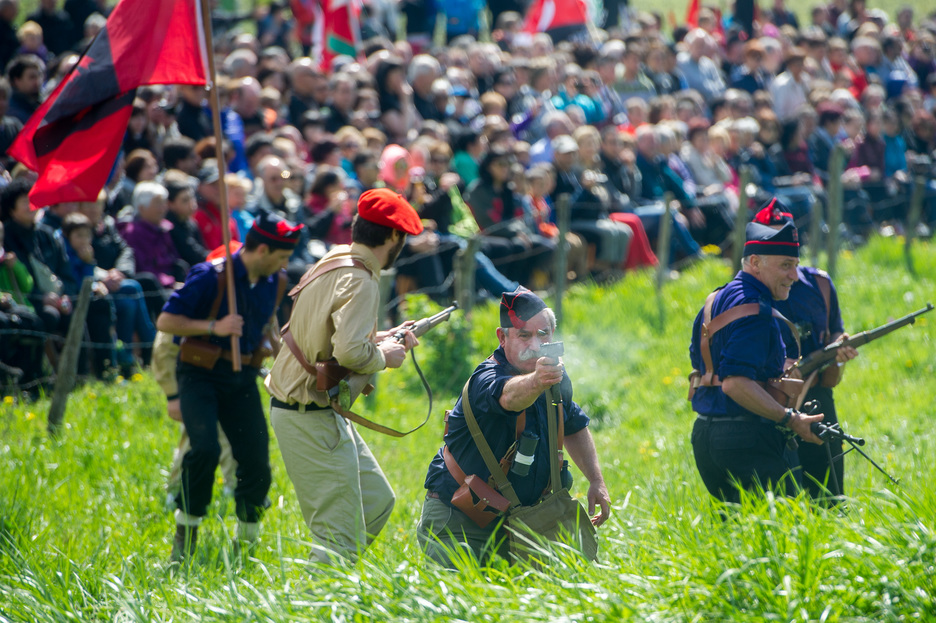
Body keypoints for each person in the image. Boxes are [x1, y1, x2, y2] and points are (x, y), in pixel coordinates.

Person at [264, 188, 423, 564]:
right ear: (393, 237)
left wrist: (380, 337)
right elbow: (350, 352)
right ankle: (315, 604)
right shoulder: (363, 279)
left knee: (377, 502)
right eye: (403, 237)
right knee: (339, 537)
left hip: (314, 409)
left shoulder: (336, 259)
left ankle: (337, 573)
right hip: (307, 414)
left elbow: (332, 336)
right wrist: (384, 356)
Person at [417, 287, 611, 566]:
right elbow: (509, 396)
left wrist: (596, 480)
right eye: (524, 335)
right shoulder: (487, 377)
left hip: (522, 524)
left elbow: (573, 424)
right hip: (461, 522)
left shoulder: (553, 377)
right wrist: (537, 380)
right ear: (502, 336)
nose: (534, 344)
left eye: (543, 334)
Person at [156, 211, 301, 562]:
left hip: (242, 379)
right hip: (199, 375)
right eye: (281, 257)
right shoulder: (210, 276)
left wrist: (284, 361)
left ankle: (246, 543)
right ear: (263, 249)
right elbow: (166, 320)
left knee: (256, 463)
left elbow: (268, 325)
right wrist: (213, 327)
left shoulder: (274, 282)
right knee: (203, 450)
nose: (285, 265)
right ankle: (185, 535)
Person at [688, 209, 826, 504]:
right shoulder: (757, 312)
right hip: (747, 439)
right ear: (755, 262)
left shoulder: (716, 299)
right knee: (784, 538)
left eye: (796, 265)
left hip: (706, 438)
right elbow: (734, 383)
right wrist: (790, 418)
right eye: (786, 266)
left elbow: (700, 363)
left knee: (736, 541)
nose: (794, 275)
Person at [756, 203, 858, 500]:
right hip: (769, 399)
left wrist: (841, 344)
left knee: (828, 492)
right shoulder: (747, 292)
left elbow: (835, 329)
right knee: (780, 497)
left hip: (816, 395)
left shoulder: (820, 284)